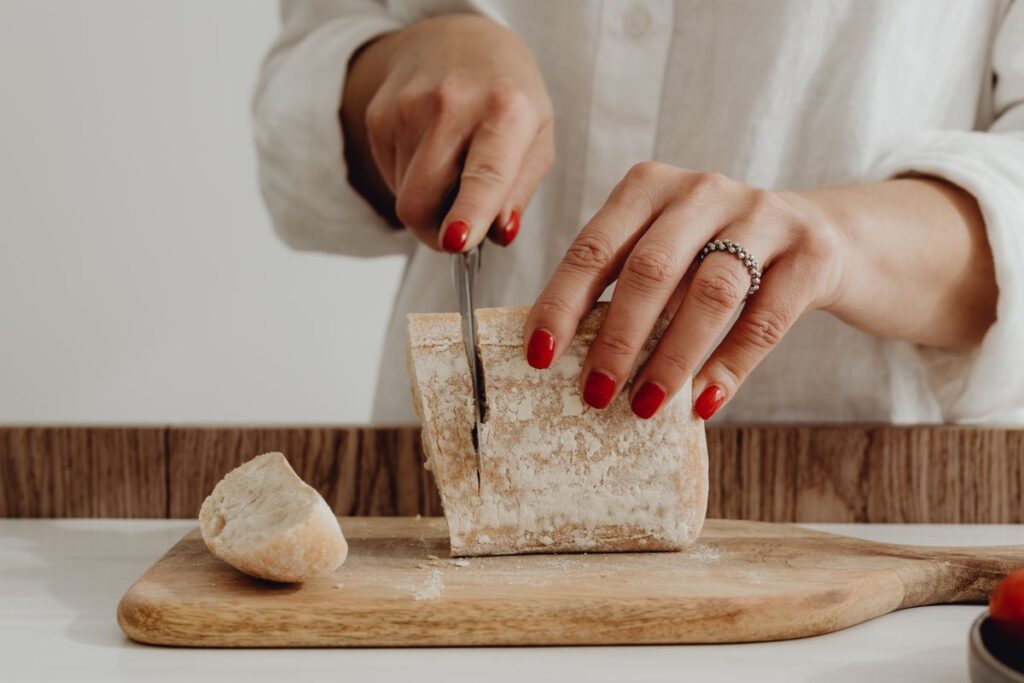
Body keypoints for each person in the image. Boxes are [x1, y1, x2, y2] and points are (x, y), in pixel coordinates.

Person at [253, 0, 1024, 425]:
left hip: (870, 504)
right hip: (435, 489)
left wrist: (838, 242)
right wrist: (414, 54)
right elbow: (311, 75)